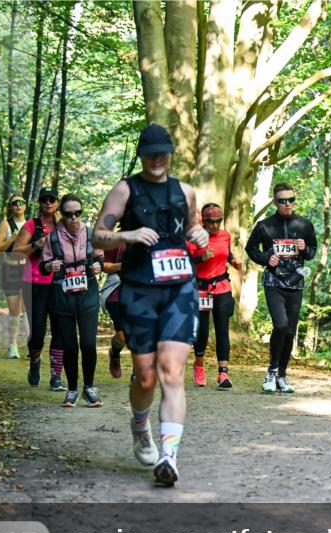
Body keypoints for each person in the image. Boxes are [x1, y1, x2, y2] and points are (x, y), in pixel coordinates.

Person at [92, 123, 208, 486]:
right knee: (145, 375)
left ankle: (169, 456)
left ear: (170, 154)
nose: (157, 158)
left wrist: (199, 233)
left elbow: (191, 228)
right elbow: (97, 234)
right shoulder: (125, 190)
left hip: (179, 288)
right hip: (140, 288)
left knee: (171, 371)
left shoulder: (185, 191)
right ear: (141, 154)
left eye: (163, 152)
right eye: (150, 152)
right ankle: (140, 425)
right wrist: (126, 234)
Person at [245, 182, 317, 394]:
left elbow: (312, 251)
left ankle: (283, 375)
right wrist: (266, 258)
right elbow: (251, 249)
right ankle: (272, 372)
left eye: (291, 200)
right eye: (283, 201)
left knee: (290, 332)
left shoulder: (304, 225)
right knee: (281, 325)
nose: (288, 204)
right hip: (273, 282)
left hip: (295, 283)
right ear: (275, 202)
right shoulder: (265, 226)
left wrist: (305, 249)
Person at [40, 194, 105, 408]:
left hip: (88, 294)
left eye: (78, 213)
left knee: (88, 343)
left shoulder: (91, 234)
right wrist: (50, 267)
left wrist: (98, 266)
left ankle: (89, 388)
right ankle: (72, 390)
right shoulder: (53, 238)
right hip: (63, 295)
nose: (74, 217)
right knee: (70, 346)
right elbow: (43, 265)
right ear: (62, 214)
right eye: (69, 214)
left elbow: (99, 259)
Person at [13, 187, 66, 390]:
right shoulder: (31, 225)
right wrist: (37, 244)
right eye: (44, 199)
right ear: (39, 203)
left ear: (58, 202)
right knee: (37, 332)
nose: (48, 203)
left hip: (60, 282)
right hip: (34, 282)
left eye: (52, 199)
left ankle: (56, 376)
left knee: (61, 329)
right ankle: (35, 360)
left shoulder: (64, 225)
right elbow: (16, 253)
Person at [187, 203, 241, 389]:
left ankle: (223, 374)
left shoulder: (225, 236)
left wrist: (234, 261)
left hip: (222, 287)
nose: (216, 225)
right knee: (201, 331)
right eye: (211, 222)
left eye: (219, 221)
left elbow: (226, 254)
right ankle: (199, 364)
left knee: (222, 329)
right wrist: (200, 258)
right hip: (201, 288)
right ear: (203, 221)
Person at [0, 194, 27, 359]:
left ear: (25, 205)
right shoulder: (6, 224)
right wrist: (12, 239)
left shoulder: (31, 224)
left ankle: (31, 345)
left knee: (28, 308)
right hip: (11, 270)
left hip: (27, 270)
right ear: (10, 207)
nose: (18, 205)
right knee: (14, 309)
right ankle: (12, 345)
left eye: (21, 202)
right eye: (15, 203)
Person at [101, 238, 128, 379]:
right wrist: (123, 266)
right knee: (123, 337)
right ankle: (115, 353)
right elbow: (102, 265)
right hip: (116, 292)